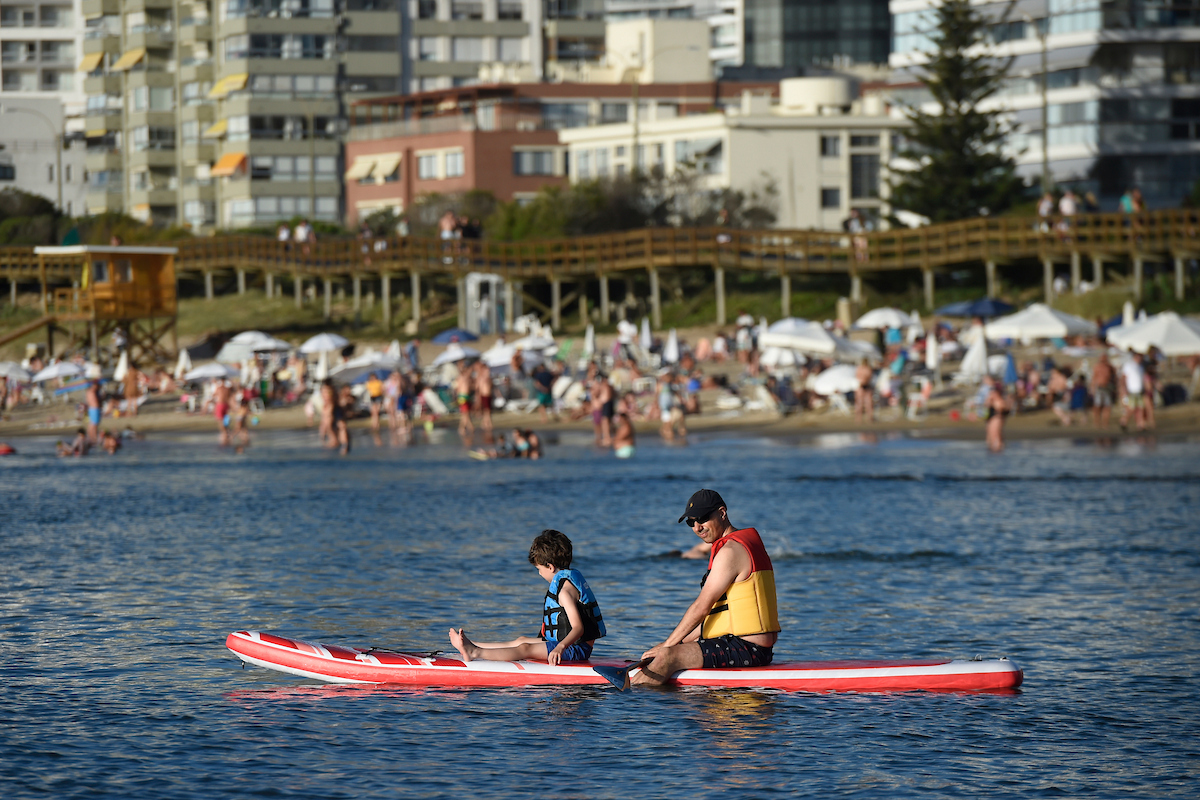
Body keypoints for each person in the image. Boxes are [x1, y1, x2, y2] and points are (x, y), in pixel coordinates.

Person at [633, 489, 780, 685]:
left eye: (702, 519)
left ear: (722, 512)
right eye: (690, 522)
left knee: (668, 657)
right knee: (667, 651)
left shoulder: (730, 551)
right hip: (749, 646)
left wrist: (667, 649)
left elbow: (701, 607)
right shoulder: (742, 544)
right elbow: (718, 615)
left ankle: (629, 702)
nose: (697, 527)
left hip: (747, 649)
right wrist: (674, 644)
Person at [448, 529, 606, 666]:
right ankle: (471, 645)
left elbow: (579, 628)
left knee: (525, 649)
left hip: (576, 649)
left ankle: (474, 653)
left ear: (550, 567)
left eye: (539, 569)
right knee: (521, 640)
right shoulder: (567, 582)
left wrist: (560, 647)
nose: (539, 573)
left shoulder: (565, 592)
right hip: (567, 643)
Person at [1119, 352, 1146, 432]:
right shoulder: (1129, 365)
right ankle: (1123, 422)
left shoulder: (1140, 367)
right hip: (1131, 391)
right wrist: (1123, 390)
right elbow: (1123, 378)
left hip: (1139, 391)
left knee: (1140, 408)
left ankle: (1140, 425)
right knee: (1130, 409)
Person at [984, 374, 1010, 452]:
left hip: (997, 416)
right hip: (991, 416)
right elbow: (986, 405)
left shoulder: (999, 400)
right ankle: (993, 448)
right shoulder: (992, 397)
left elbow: (1003, 409)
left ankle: (998, 448)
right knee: (990, 435)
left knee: (996, 434)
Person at [1091, 353, 1115, 429]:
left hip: (1107, 388)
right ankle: (1096, 422)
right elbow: (1094, 378)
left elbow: (1114, 376)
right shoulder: (1097, 367)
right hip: (1099, 388)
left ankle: (1105, 423)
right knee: (1097, 406)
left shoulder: (1109, 367)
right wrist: (1092, 388)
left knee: (1107, 406)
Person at [854, 358, 874, 424]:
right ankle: (859, 418)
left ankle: (868, 417)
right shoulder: (862, 368)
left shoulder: (866, 368)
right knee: (860, 403)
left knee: (868, 403)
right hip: (861, 386)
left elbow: (868, 377)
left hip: (865, 386)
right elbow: (858, 376)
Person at [85, 379, 102, 445]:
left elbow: (88, 401)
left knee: (92, 424)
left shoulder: (88, 391)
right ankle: (93, 438)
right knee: (94, 424)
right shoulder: (93, 391)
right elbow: (95, 401)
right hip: (94, 408)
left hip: (91, 408)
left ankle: (90, 437)